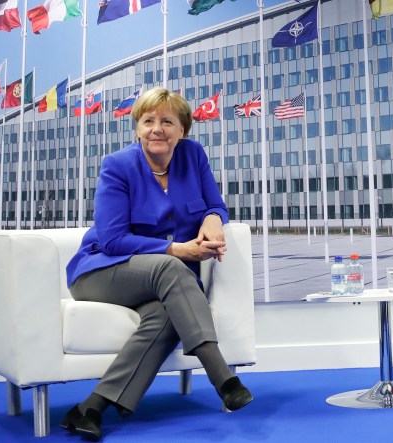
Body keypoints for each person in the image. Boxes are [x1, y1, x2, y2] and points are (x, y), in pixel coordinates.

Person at [61, 87, 253, 441]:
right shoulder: (118, 165)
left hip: (162, 281)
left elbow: (216, 205)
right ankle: (221, 375)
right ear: (137, 129)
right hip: (102, 270)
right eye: (148, 121)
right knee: (171, 268)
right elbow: (113, 239)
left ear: (182, 130)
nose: (157, 129)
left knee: (166, 315)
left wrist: (213, 220)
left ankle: (91, 407)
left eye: (167, 121)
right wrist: (177, 250)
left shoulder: (192, 156)